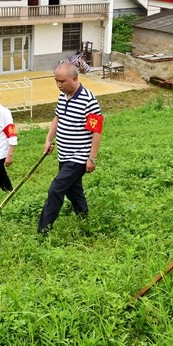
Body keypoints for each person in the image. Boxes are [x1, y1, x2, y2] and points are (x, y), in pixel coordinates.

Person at [38, 62, 103, 235]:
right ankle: (85, 221)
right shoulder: (63, 96)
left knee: (55, 189)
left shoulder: (89, 101)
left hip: (79, 157)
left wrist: (92, 158)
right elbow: (57, 118)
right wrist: (48, 139)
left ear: (74, 79)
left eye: (62, 81)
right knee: (74, 191)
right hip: (64, 155)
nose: (59, 85)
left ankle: (43, 230)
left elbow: (96, 132)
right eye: (56, 81)